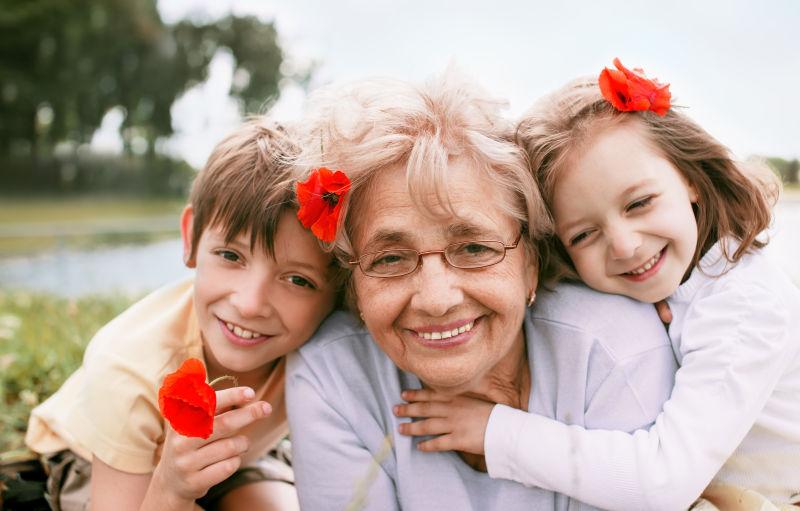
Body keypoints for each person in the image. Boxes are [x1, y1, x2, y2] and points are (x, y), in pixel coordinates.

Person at [396, 60, 800, 510]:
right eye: (584, 235)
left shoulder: (744, 304)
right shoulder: (681, 283)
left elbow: (663, 483)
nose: (625, 246)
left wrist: (495, 431)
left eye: (640, 202)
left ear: (690, 178)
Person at [285, 70, 678, 510]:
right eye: (390, 259)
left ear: (531, 262)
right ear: (354, 286)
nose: (437, 299)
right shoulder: (332, 376)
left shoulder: (611, 349)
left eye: (473, 247)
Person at [25, 118, 342, 511]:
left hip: (239, 455)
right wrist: (172, 490)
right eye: (231, 256)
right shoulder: (128, 369)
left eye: (297, 279)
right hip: (98, 459)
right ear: (192, 237)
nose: (249, 304)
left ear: (340, 292)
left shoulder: (333, 342)